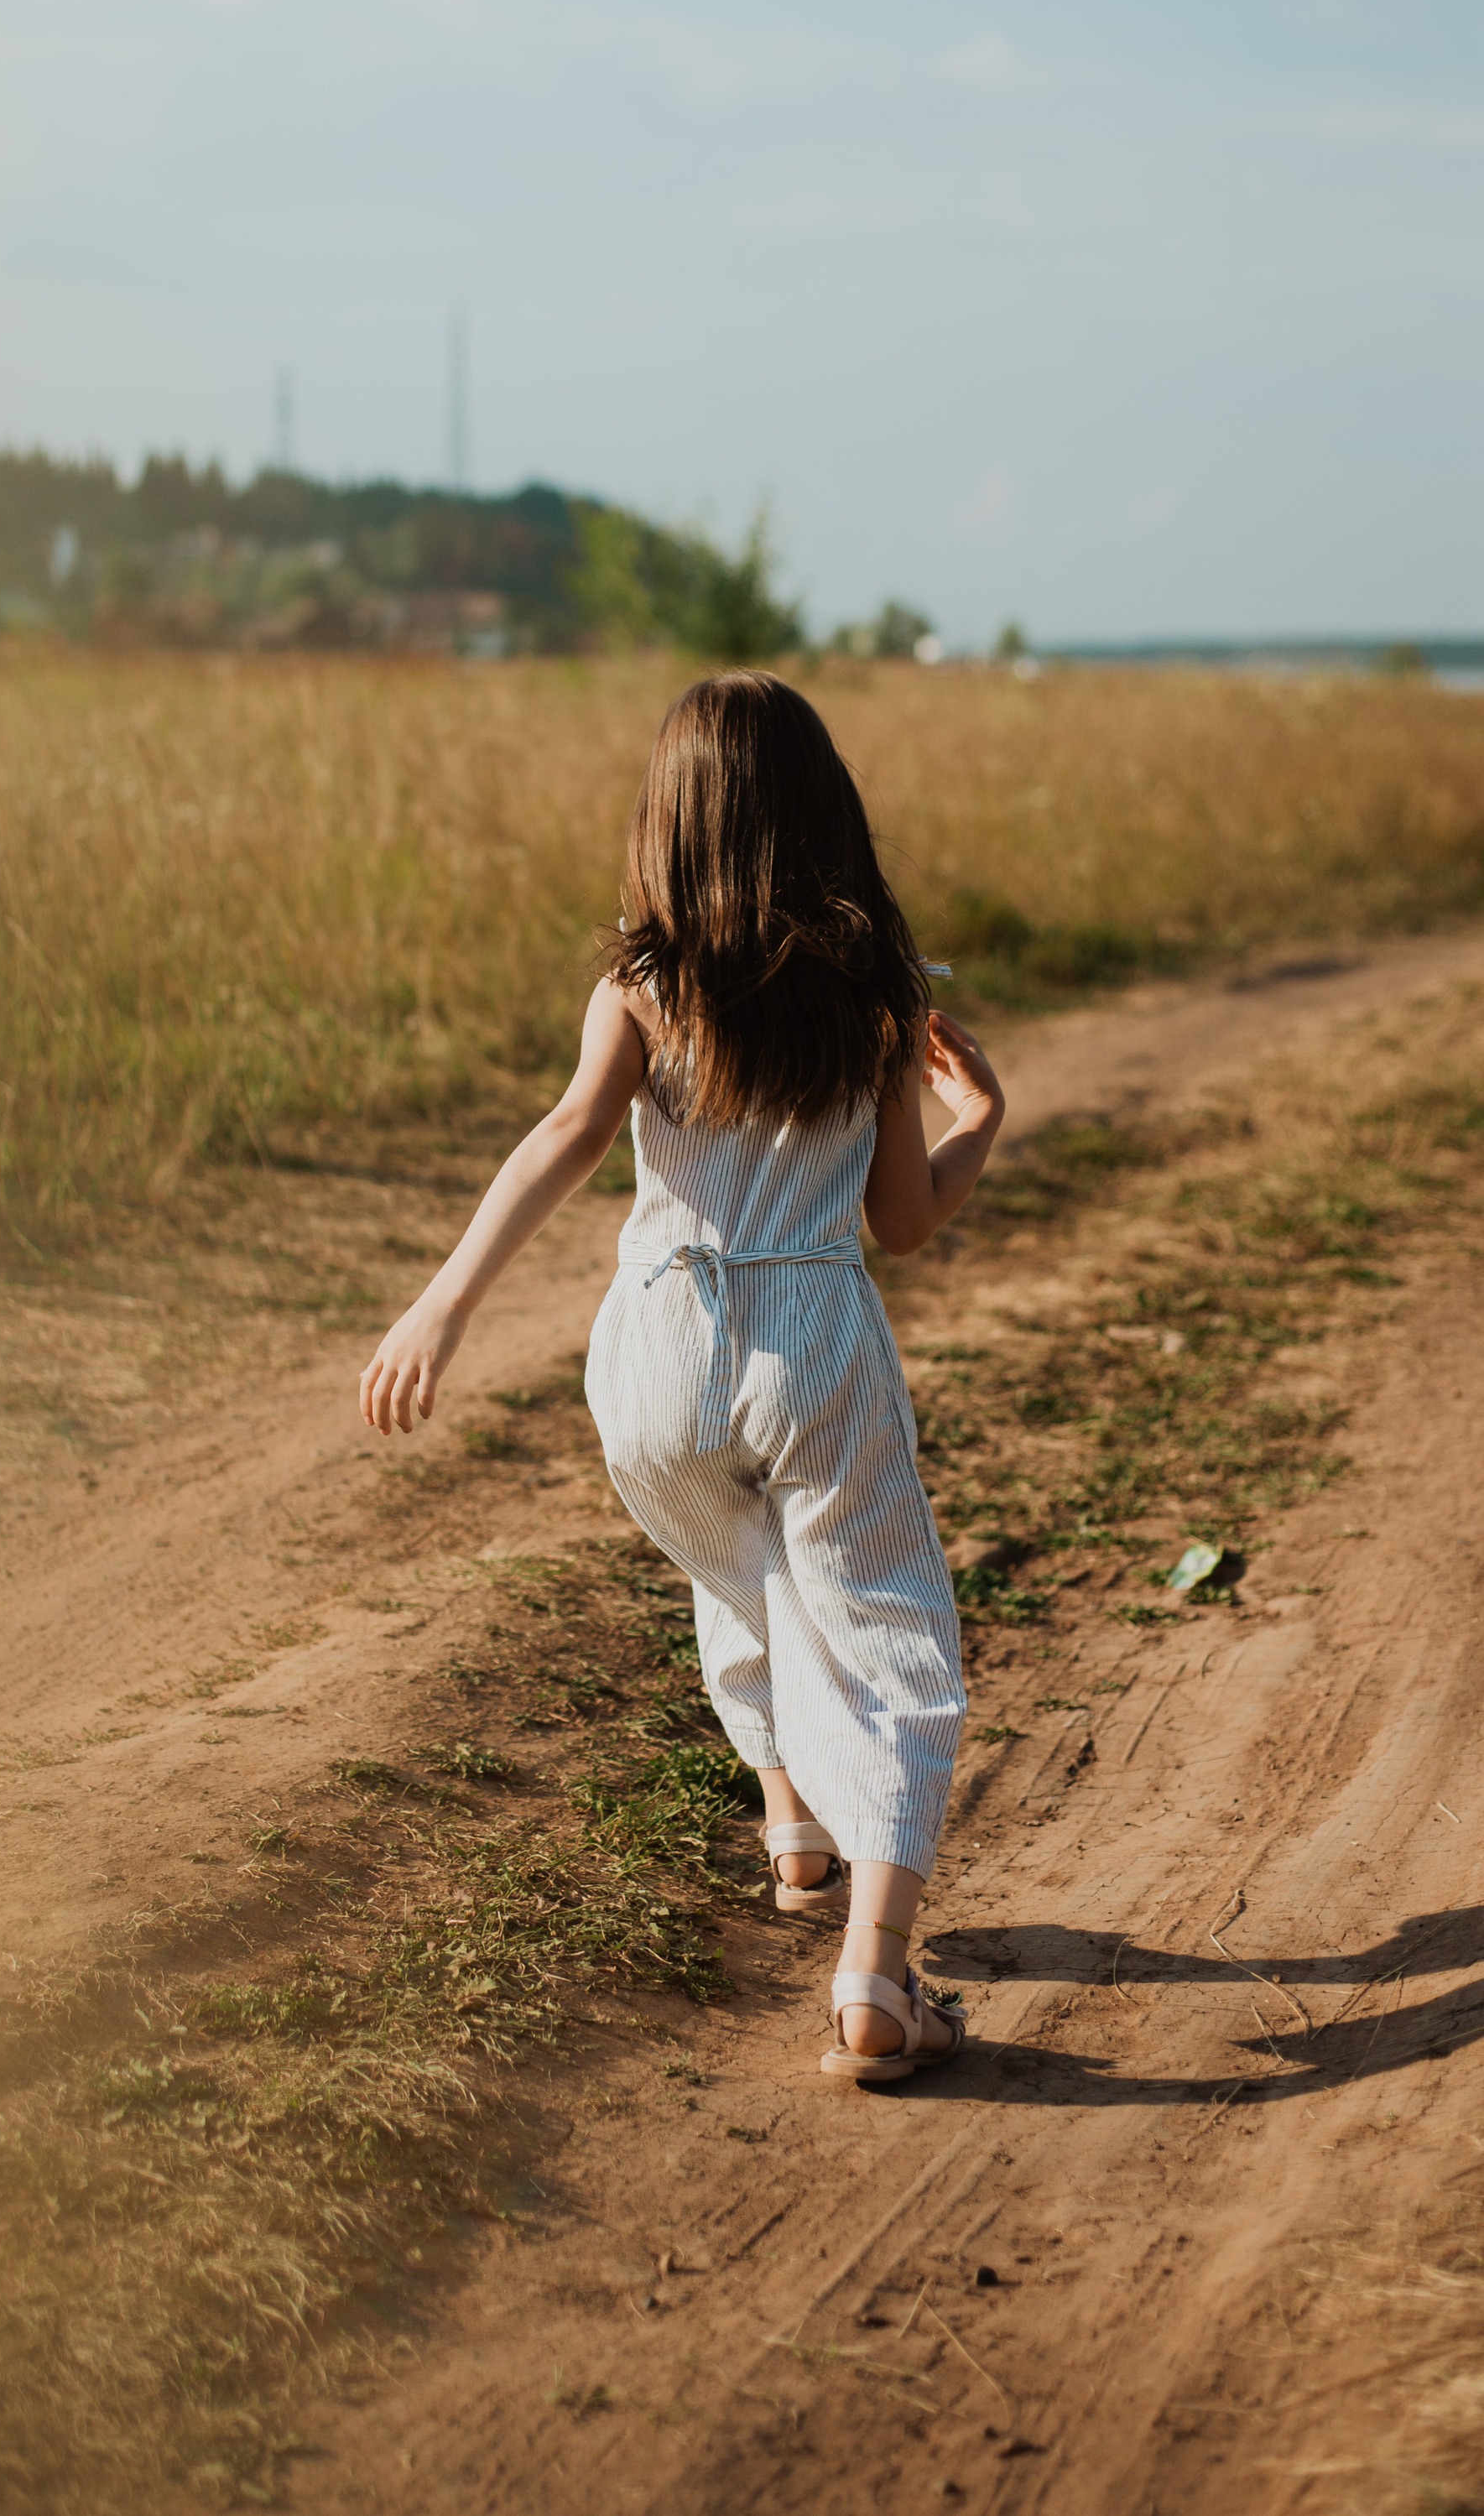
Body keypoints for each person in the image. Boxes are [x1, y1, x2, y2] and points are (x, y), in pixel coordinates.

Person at [357, 670, 1005, 2083]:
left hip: (657, 1349)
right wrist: (982, 1121)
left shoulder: (642, 990)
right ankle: (878, 1973)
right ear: (827, 818)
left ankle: (792, 1819)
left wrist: (443, 1304)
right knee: (891, 1628)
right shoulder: (875, 998)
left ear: (670, 820)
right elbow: (902, 1220)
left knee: (738, 1563)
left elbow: (564, 1135)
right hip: (811, 1339)